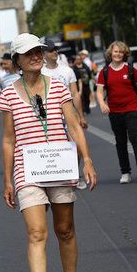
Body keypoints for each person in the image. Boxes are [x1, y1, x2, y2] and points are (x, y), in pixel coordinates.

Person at [0, 33, 97, 272]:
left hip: (61, 166)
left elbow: (75, 125)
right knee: (36, 232)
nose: (36, 56)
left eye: (38, 51)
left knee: (65, 230)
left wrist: (87, 159)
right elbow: (7, 140)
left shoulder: (58, 87)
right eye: (29, 52)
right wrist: (7, 179)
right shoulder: (7, 94)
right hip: (27, 169)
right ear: (17, 59)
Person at [96, 41, 137, 184]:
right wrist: (102, 103)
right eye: (116, 52)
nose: (118, 54)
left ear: (125, 54)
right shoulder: (105, 72)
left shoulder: (130, 69)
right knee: (120, 141)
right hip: (114, 111)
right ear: (111, 53)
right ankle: (125, 172)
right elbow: (99, 91)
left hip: (131, 109)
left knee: (135, 138)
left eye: (121, 52)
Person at [42, 44, 88, 190]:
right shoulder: (40, 72)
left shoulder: (67, 70)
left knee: (76, 144)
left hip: (68, 113)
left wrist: (81, 115)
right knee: (54, 146)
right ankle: (59, 175)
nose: (55, 52)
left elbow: (74, 94)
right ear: (44, 54)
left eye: (56, 50)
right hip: (49, 116)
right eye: (51, 51)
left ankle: (75, 175)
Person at [73, 51, 93, 115]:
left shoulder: (85, 65)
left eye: (79, 59)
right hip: (78, 85)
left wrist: (91, 79)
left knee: (87, 96)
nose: (78, 60)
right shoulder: (74, 68)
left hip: (86, 84)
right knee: (81, 98)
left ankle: (87, 107)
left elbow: (89, 72)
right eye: (77, 59)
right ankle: (83, 109)